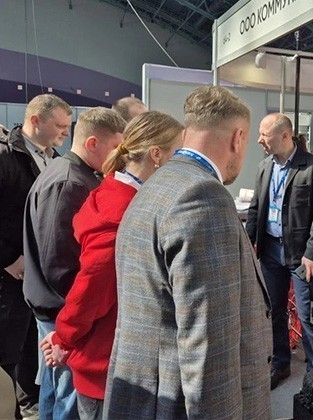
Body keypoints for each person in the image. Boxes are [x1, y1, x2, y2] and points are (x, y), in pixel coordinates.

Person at [104, 86, 272, 419]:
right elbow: (210, 346)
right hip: (173, 402)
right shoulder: (203, 196)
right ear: (238, 138)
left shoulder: (157, 183)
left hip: (145, 395)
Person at [38, 112, 183, 420]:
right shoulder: (123, 212)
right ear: (156, 155)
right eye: (177, 152)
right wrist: (63, 337)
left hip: (108, 359)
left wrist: (63, 336)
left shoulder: (112, 190)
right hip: (108, 364)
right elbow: (93, 287)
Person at [23, 107, 126, 420]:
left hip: (63, 313)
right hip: (64, 313)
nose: (121, 157)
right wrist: (78, 319)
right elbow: (59, 262)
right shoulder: (70, 182)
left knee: (55, 394)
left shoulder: (72, 174)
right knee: (67, 401)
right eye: (116, 148)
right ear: (93, 143)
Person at [246, 113, 313, 390]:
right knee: (275, 310)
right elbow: (256, 208)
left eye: (264, 134)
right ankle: (280, 363)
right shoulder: (264, 167)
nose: (259, 140)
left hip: (300, 255)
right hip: (270, 251)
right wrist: (249, 243)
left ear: (284, 135)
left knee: (307, 315)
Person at [0, 94, 72, 419]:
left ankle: (31, 407)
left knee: (34, 350)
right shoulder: (5, 157)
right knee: (8, 355)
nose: (66, 132)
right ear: (35, 120)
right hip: (9, 278)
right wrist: (7, 259)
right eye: (60, 125)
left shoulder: (56, 160)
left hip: (39, 280)